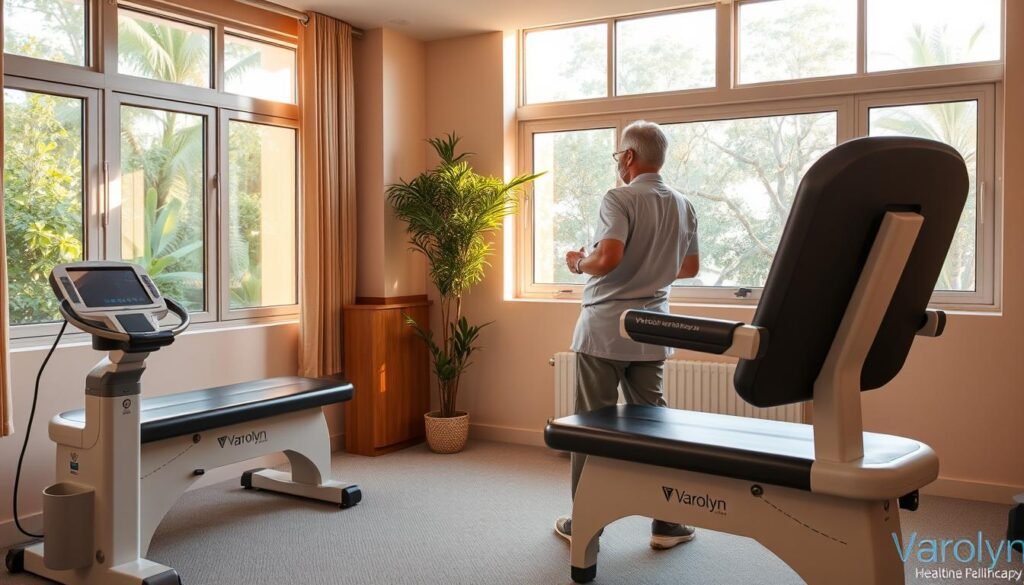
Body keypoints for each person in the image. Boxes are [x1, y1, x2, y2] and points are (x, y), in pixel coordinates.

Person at [555, 120, 700, 551]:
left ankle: (586, 525)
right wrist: (650, 270)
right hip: (652, 330)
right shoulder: (684, 205)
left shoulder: (618, 197)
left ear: (630, 157)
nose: (619, 163)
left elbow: (609, 257)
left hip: (603, 331)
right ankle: (667, 522)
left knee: (590, 426)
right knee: (653, 428)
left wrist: (580, 262)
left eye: (620, 155)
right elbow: (688, 268)